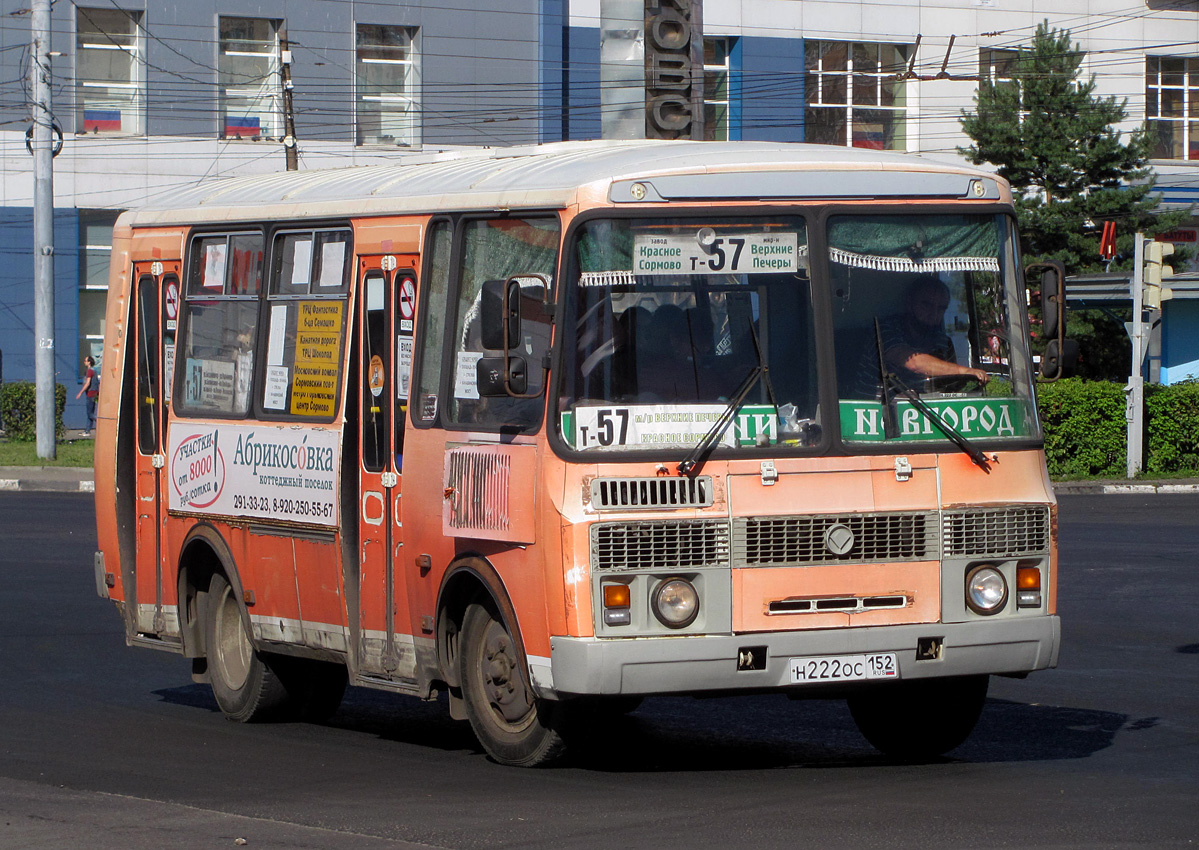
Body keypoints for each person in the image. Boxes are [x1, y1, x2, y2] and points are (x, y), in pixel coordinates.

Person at [856, 275, 988, 397]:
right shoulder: (884, 331)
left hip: (926, 414)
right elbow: (914, 363)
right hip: (876, 414)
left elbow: (951, 385)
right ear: (909, 303)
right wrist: (963, 371)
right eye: (927, 305)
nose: (934, 314)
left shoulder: (942, 342)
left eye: (941, 308)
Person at [76, 355, 99, 436]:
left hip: (90, 393)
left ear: (89, 362)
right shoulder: (95, 371)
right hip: (95, 393)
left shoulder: (89, 371)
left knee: (90, 413)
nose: (84, 362)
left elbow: (88, 383)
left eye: (85, 361)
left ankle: (100, 422)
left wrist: (80, 392)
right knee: (90, 413)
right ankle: (87, 431)